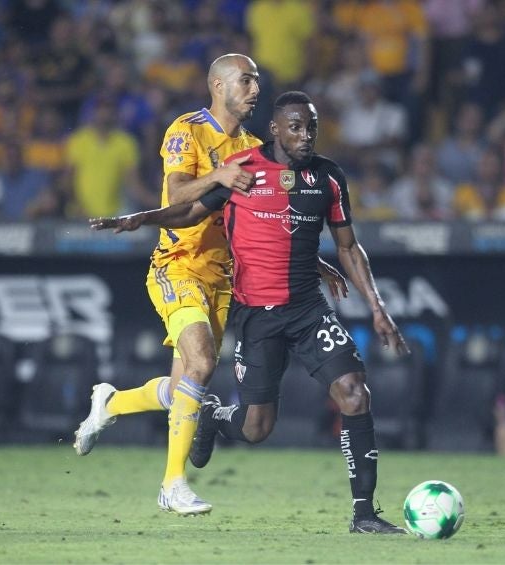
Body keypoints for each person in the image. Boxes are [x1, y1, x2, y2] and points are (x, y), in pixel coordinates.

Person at [90, 91, 411, 534]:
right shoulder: (243, 170)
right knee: (257, 427)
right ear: (276, 130)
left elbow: (348, 246)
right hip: (258, 317)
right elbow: (188, 213)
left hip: (308, 311)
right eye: (295, 127)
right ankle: (215, 416)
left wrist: (378, 309)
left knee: (354, 393)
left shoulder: (329, 178)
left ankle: (364, 513)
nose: (305, 135)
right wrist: (141, 218)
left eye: (311, 126)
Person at [73, 56, 346, 516]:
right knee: (200, 363)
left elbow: (271, 222)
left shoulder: (256, 147)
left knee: (186, 387)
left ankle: (112, 402)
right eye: (246, 79)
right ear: (218, 85)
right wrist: (217, 175)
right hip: (177, 265)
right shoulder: (187, 129)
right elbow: (177, 193)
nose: (256, 88)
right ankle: (172, 484)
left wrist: (316, 261)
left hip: (224, 279)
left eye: (258, 79)